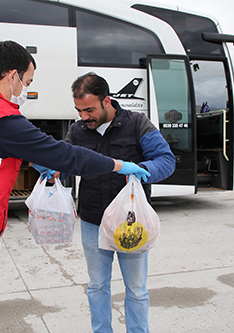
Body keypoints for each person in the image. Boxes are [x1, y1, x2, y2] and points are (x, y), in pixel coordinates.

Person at [0, 41, 150, 333]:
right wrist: (120, 165)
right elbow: (68, 156)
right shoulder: (2, 119)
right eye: (27, 82)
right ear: (12, 77)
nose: (25, 91)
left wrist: (31, 160)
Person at [64, 72, 176, 333]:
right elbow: (66, 162)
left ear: (107, 101)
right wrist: (55, 170)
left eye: (89, 110)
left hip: (131, 222)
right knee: (97, 286)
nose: (84, 117)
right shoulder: (77, 130)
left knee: (136, 289)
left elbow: (166, 160)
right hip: (93, 220)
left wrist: (142, 168)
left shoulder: (137, 123)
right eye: (79, 110)